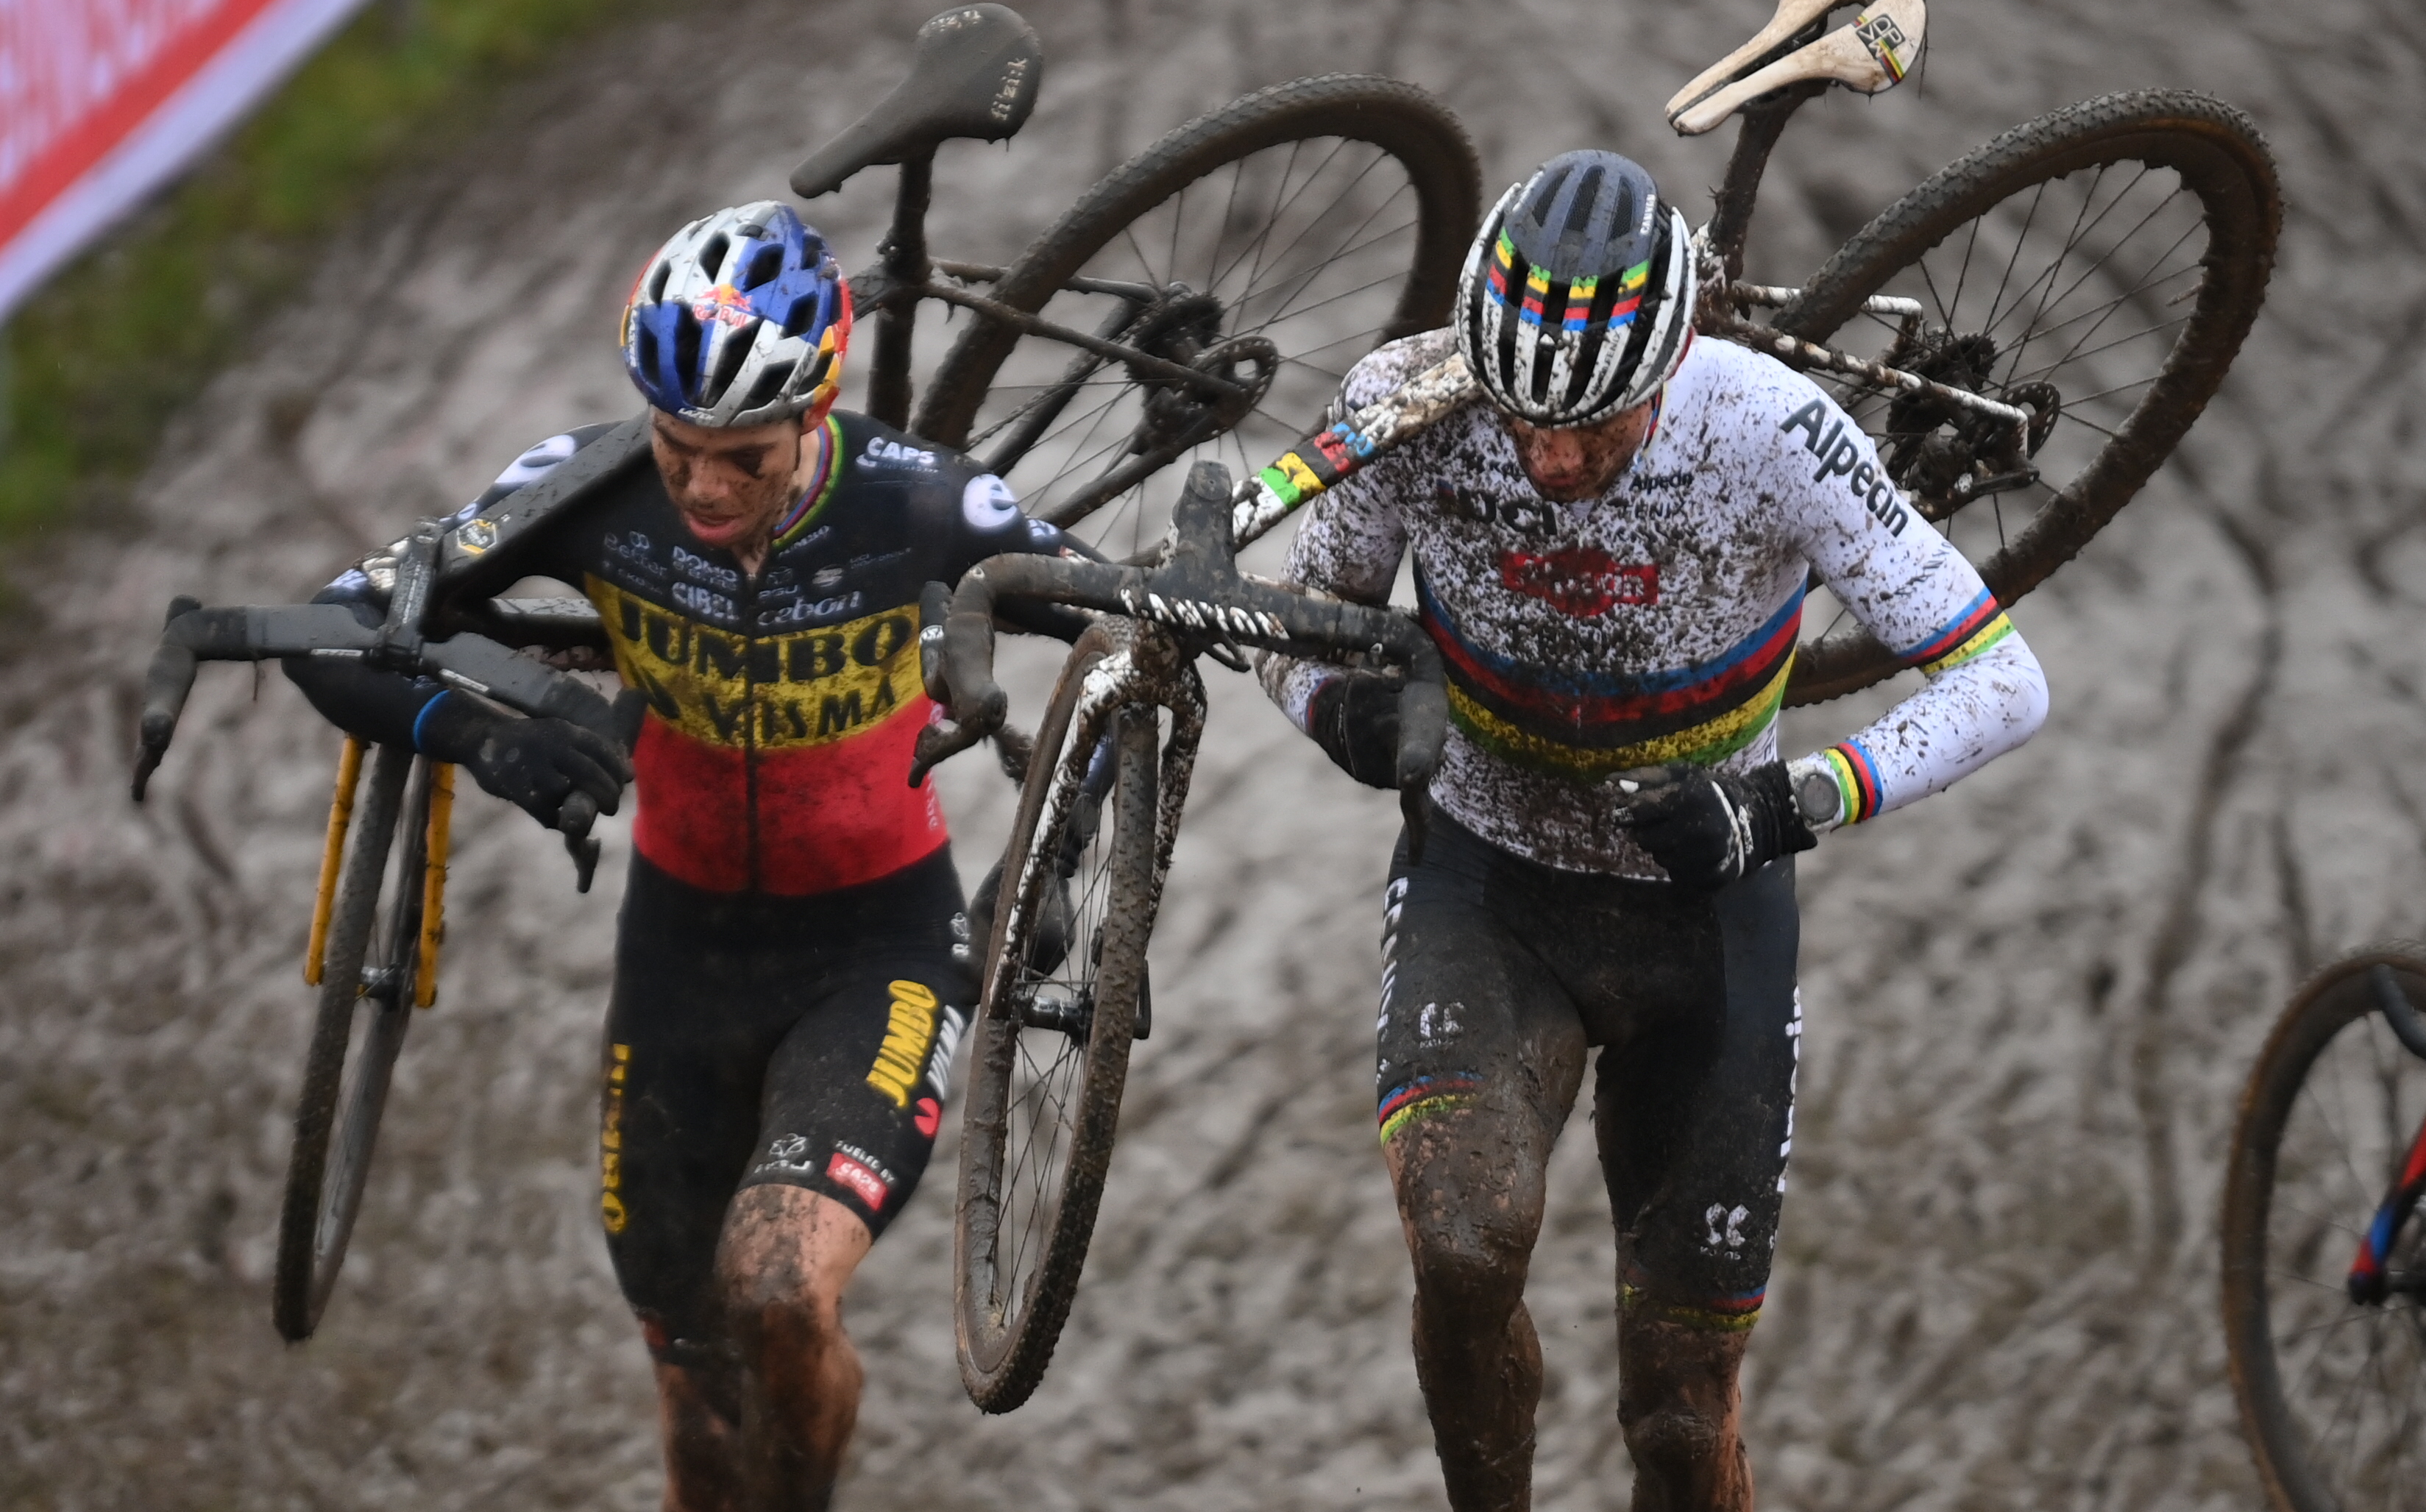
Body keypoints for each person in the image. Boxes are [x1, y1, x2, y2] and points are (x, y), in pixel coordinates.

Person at [1258, 151, 2047, 1511]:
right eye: (1523, 423)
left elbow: (2003, 680)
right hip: (1487, 887)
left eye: (1596, 429)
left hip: (1711, 927)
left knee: (1679, 1422)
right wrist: (1336, 711)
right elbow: (1283, 621)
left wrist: (1785, 802)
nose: (1554, 459)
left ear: (1673, 362)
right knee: (1460, 1251)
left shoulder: (1774, 430)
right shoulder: (1408, 404)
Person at [287, 200, 1071, 1510]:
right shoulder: (589, 485)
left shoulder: (929, 506)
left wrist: (1039, 868)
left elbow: (1133, 654)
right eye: (675, 447)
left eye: (742, 459)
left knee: (774, 1288)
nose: (702, 487)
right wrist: (481, 740)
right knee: (697, 1389)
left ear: (815, 414)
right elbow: (335, 627)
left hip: (875, 952)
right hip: (677, 957)